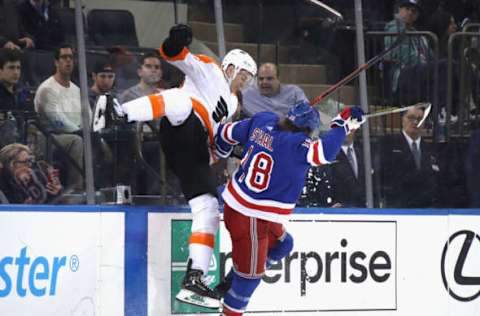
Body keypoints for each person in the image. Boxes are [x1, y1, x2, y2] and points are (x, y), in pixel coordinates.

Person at [95, 24, 257, 308]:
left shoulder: (232, 105)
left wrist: (229, 147)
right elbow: (174, 54)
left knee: (207, 208)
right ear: (230, 67)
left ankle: (194, 278)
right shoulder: (211, 69)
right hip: (181, 127)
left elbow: (218, 145)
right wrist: (175, 40)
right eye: (243, 74)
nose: (244, 81)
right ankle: (118, 114)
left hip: (194, 149)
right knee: (180, 100)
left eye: (249, 79)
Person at [213, 101, 365, 315]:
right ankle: (234, 294)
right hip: (252, 218)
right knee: (248, 282)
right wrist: (342, 125)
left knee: (284, 244)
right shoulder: (297, 145)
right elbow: (325, 152)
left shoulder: (262, 120)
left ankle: (234, 277)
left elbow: (224, 132)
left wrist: (220, 152)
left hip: (239, 206)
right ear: (306, 130)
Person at [34, 43, 86, 191]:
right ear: (56, 62)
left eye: (70, 57)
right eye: (64, 57)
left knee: (103, 143)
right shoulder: (47, 89)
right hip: (49, 137)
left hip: (76, 133)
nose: (68, 61)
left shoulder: (77, 90)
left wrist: (92, 134)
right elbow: (58, 121)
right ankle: (77, 190)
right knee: (77, 141)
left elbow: (87, 115)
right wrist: (81, 132)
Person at [380, 106, 440, 208]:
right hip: (399, 208)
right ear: (402, 119)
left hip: (426, 209)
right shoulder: (389, 144)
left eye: (420, 119)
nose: (415, 122)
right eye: (411, 118)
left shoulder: (430, 149)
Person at [242, 62, 308, 118]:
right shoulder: (247, 95)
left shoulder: (294, 92)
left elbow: (307, 112)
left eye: (269, 79)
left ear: (278, 79)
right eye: (261, 79)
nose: (264, 82)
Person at [0, 48, 23, 148]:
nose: (16, 72)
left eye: (18, 68)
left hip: (21, 146)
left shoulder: (22, 93)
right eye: (11, 68)